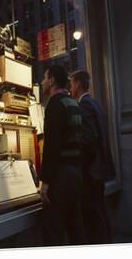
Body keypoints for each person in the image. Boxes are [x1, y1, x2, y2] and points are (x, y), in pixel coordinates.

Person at [39, 65, 86, 246]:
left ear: (51, 81)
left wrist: (45, 182)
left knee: (53, 232)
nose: (42, 82)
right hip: (75, 174)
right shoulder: (73, 102)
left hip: (61, 178)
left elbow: (52, 146)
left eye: (44, 78)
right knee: (76, 229)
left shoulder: (54, 104)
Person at [70, 70, 115, 244]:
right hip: (100, 169)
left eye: (72, 83)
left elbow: (88, 139)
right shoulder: (95, 103)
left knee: (94, 218)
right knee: (101, 213)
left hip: (91, 172)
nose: (71, 87)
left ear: (79, 84)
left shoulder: (84, 106)